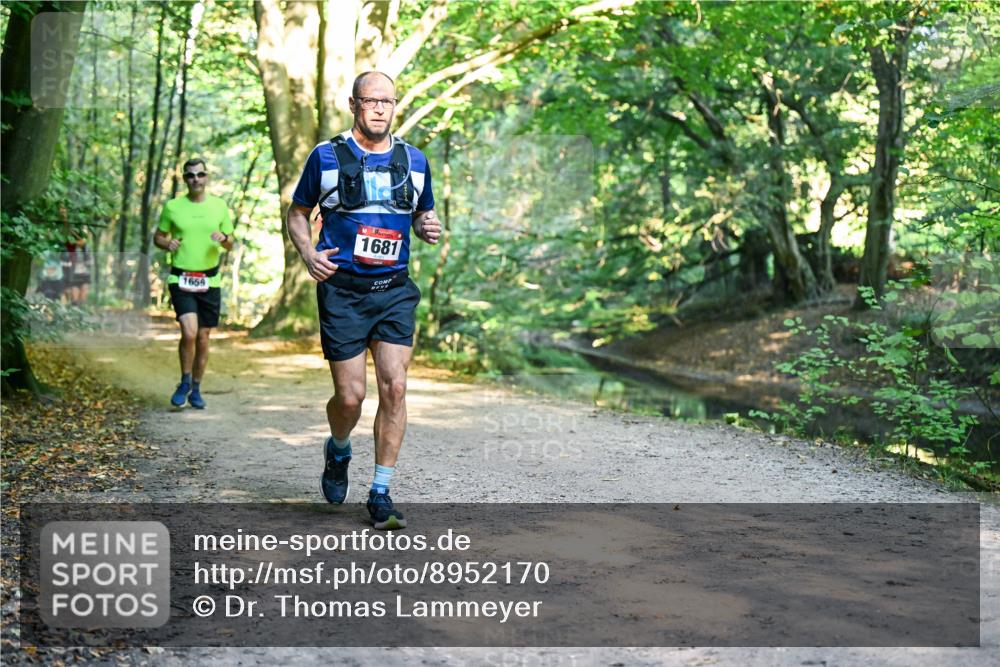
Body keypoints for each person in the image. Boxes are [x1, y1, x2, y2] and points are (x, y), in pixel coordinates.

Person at [288, 71, 441, 530]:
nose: (380, 108)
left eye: (388, 101)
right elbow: (297, 212)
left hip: (393, 290)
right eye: (371, 101)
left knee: (394, 386)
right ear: (354, 104)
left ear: (395, 106)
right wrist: (308, 252)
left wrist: (426, 226)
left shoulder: (415, 161)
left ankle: (380, 491)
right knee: (350, 398)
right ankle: (338, 450)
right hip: (343, 293)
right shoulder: (326, 156)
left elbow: (420, 213)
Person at [153, 157, 234, 410]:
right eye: (190, 175)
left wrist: (224, 239)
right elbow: (158, 236)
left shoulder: (219, 206)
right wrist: (167, 243)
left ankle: (196, 388)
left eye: (199, 174)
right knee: (188, 332)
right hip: (181, 277)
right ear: (184, 179)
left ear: (206, 177)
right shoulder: (173, 207)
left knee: (203, 336)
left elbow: (230, 241)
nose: (195, 179)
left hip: (210, 279)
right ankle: (185, 381)